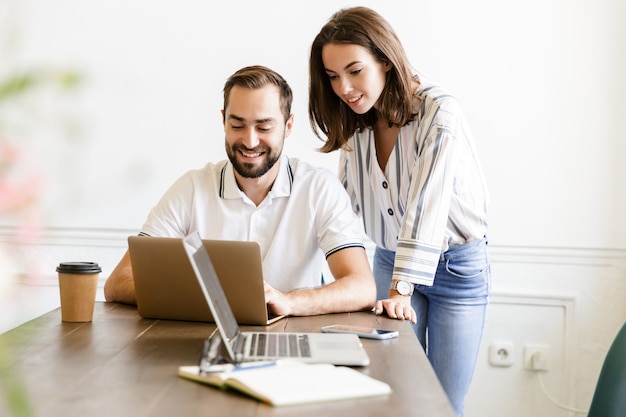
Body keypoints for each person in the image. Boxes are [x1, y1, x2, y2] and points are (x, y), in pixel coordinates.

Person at [308, 7, 490, 416]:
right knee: (390, 397)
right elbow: (340, 204)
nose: (344, 87)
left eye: (355, 71)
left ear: (386, 60)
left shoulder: (439, 113)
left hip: (456, 270)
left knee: (443, 404)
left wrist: (400, 290)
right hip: (388, 261)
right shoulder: (356, 124)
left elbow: (427, 206)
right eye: (333, 76)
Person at [104, 65, 376, 317]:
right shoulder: (192, 188)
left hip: (293, 340)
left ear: (288, 126)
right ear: (223, 121)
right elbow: (119, 281)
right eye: (237, 125)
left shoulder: (319, 188)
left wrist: (289, 301)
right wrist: (206, 297)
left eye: (264, 126)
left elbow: (361, 286)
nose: (250, 140)